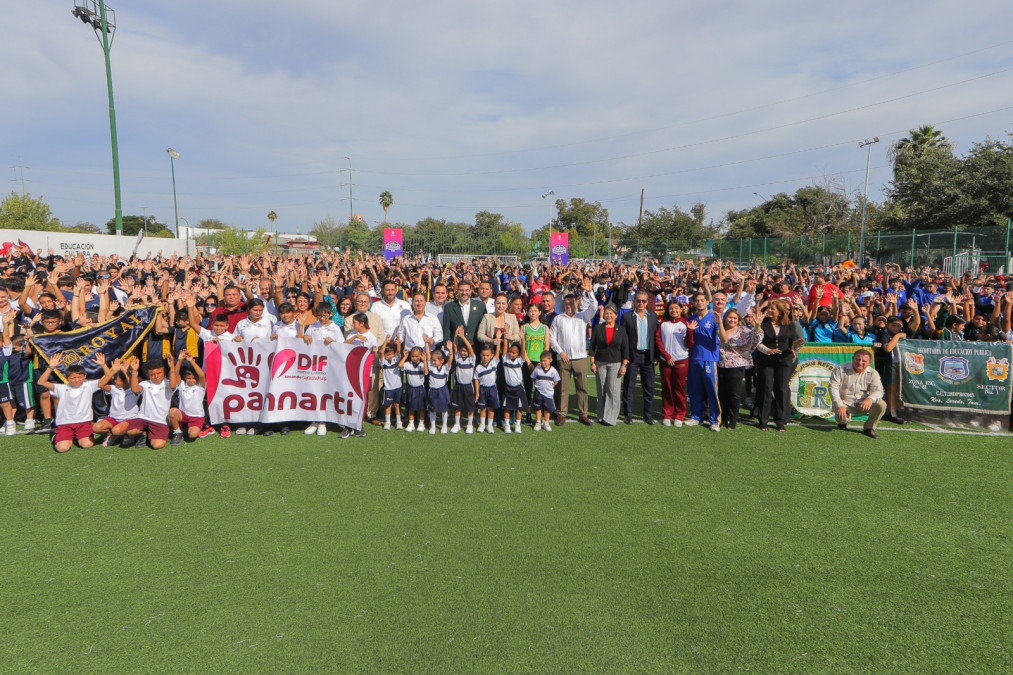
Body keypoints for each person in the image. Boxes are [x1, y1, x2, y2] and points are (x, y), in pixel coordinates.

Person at [549, 279, 597, 426]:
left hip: (580, 357)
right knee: (563, 387)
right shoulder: (558, 319)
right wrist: (560, 352)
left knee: (582, 387)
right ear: (563, 304)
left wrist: (589, 292)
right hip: (563, 357)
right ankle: (562, 413)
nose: (569, 306)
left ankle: (583, 414)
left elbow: (594, 307)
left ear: (576, 304)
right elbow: (552, 337)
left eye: (571, 303)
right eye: (567, 303)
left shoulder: (582, 316)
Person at [36, 351, 103, 453]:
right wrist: (51, 367)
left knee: (87, 444)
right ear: (67, 378)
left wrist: (103, 365)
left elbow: (106, 379)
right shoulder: (61, 388)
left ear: (84, 376)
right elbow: (41, 382)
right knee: (62, 448)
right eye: (73, 378)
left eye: (79, 377)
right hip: (65, 423)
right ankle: (57, 435)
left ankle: (79, 437)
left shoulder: (89, 385)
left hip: (83, 422)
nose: (76, 380)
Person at [754, 299, 805, 432]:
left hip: (784, 359)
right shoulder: (763, 324)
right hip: (766, 359)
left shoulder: (789, 324)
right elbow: (756, 341)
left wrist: (796, 345)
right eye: (769, 309)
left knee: (782, 388)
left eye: (773, 309)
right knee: (766, 388)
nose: (769, 311)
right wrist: (767, 350)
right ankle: (763, 420)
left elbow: (793, 341)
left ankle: (780, 420)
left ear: (780, 312)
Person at [717, 309, 761, 430]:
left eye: (735, 318)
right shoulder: (719, 329)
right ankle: (723, 417)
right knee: (722, 393)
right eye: (730, 317)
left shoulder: (743, 331)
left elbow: (757, 339)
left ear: (738, 320)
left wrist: (757, 326)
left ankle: (733, 419)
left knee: (733, 394)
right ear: (725, 318)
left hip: (736, 365)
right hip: (720, 364)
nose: (732, 320)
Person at [829, 348, 887, 439]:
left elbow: (879, 391)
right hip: (845, 403)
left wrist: (869, 399)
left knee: (881, 405)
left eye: (864, 361)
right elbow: (833, 388)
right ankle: (842, 423)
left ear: (869, 363)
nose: (860, 363)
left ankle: (869, 428)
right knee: (842, 419)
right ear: (853, 359)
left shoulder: (873, 373)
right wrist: (839, 405)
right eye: (858, 359)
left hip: (863, 404)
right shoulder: (840, 369)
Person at [620, 291, 659, 424]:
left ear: (647, 302)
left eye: (643, 301)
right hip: (632, 356)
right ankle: (628, 414)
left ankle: (648, 415)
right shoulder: (626, 316)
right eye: (638, 300)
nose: (641, 303)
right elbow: (623, 339)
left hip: (648, 356)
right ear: (634, 302)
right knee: (628, 386)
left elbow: (656, 338)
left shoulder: (653, 316)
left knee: (649, 387)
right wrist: (624, 358)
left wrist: (657, 356)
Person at [588, 303, 630, 426]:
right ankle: (601, 416)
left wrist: (624, 365)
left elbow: (625, 350)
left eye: (611, 313)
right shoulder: (598, 328)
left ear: (616, 316)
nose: (609, 315)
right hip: (600, 363)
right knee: (601, 390)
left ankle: (610, 418)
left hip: (616, 364)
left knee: (613, 391)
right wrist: (592, 363)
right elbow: (592, 348)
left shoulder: (621, 330)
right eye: (606, 313)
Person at [124, 356, 178, 450]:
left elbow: (173, 385)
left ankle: (151, 433)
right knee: (131, 432)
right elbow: (134, 389)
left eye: (159, 373)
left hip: (160, 421)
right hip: (143, 418)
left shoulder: (168, 383)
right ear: (148, 375)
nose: (156, 376)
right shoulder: (145, 384)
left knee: (157, 445)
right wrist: (134, 371)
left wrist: (172, 367)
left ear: (164, 372)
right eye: (152, 374)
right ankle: (144, 433)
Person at [655, 299, 693, 427]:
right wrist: (666, 356)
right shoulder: (663, 323)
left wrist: (690, 331)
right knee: (667, 387)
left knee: (679, 388)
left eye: (676, 308)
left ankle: (679, 414)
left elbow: (689, 344)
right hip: (665, 361)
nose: (674, 311)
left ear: (681, 309)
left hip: (681, 360)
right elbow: (658, 340)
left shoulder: (685, 324)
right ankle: (667, 413)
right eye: (671, 308)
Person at [686, 293, 721, 428]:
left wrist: (720, 325)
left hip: (709, 359)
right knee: (695, 389)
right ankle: (696, 416)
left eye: (702, 300)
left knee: (712, 390)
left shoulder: (714, 318)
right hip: (694, 358)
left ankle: (714, 420)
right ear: (694, 303)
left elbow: (722, 337)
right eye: (697, 301)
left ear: (707, 302)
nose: (700, 303)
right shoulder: (691, 319)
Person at [93, 357, 140, 446]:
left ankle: (127, 435)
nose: (114, 380)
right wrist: (113, 371)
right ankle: (111, 435)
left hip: (129, 419)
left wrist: (126, 371)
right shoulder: (115, 389)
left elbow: (131, 384)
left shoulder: (134, 390)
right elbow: (101, 384)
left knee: (117, 430)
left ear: (124, 381)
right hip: (113, 418)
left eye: (117, 379)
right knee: (96, 428)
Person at [168, 350, 207, 445]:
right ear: (185, 378)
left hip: (196, 417)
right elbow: (176, 374)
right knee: (172, 411)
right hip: (183, 415)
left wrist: (191, 361)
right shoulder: (182, 385)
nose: (191, 380)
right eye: (188, 378)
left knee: (192, 435)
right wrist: (180, 360)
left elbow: (202, 375)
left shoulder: (200, 386)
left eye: (193, 378)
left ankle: (192, 428)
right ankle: (178, 432)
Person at [442, 280, 487, 348]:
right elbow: (446, 330)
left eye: (466, 290)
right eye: (461, 290)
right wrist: (448, 346)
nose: (464, 293)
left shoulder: (480, 306)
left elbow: (484, 327)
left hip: (475, 346)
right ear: (457, 291)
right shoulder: (449, 307)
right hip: (457, 347)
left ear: (471, 290)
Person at [449, 330, 477, 433]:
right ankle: (457, 424)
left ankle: (469, 425)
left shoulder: (472, 359)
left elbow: (469, 347)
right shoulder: (458, 358)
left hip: (468, 387)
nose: (463, 352)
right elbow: (455, 345)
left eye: (465, 351)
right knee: (457, 407)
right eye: (462, 350)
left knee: (470, 407)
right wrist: (456, 336)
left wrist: (463, 337)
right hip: (458, 386)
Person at [474, 340, 502, 434]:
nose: (485, 357)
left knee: (491, 408)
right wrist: (477, 392)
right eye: (483, 355)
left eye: (487, 355)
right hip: (482, 389)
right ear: (480, 355)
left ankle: (489, 425)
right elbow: (476, 380)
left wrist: (497, 342)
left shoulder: (493, 363)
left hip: (492, 389)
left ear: (491, 355)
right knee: (482, 408)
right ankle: (482, 424)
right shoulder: (478, 367)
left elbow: (498, 353)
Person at [501, 341, 528, 434]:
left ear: (518, 354)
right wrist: (506, 337)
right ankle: (507, 425)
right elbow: (505, 345)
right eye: (510, 351)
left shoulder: (520, 360)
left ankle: (517, 424)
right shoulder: (505, 359)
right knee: (507, 407)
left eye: (514, 352)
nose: (511, 354)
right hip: (508, 388)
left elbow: (523, 350)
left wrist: (522, 338)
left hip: (518, 388)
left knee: (519, 408)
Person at [531, 350, 560, 432]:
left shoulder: (553, 370)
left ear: (550, 360)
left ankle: (546, 423)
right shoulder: (537, 369)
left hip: (548, 393)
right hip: (538, 392)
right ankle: (538, 422)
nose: (543, 362)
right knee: (538, 408)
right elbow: (533, 378)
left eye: (545, 361)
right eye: (541, 360)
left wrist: (551, 386)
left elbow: (556, 380)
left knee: (547, 409)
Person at [425, 344, 452, 434]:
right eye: (432, 360)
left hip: (442, 390)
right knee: (432, 409)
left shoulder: (445, 368)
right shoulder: (431, 367)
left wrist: (450, 350)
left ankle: (444, 425)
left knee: (444, 409)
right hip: (433, 391)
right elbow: (428, 356)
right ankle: (433, 426)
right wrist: (426, 344)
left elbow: (450, 360)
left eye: (435, 360)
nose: (433, 362)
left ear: (442, 360)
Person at [400, 346, 428, 432]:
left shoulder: (422, 365)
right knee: (411, 407)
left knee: (421, 407)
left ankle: (421, 423)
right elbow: (400, 365)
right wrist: (405, 356)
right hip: (411, 389)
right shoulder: (408, 364)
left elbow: (426, 372)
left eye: (417, 356)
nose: (415, 358)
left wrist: (424, 360)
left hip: (420, 389)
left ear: (421, 355)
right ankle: (411, 423)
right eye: (413, 356)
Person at [380, 339, 403, 430]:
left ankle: (398, 421)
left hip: (398, 386)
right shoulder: (383, 362)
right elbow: (381, 352)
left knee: (397, 404)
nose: (390, 356)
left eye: (391, 354)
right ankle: (388, 422)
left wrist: (398, 343)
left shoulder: (396, 359)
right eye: (388, 354)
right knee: (388, 405)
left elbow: (398, 351)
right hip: (388, 388)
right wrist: (385, 341)